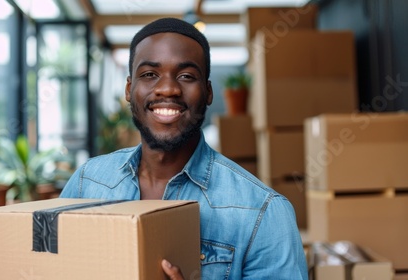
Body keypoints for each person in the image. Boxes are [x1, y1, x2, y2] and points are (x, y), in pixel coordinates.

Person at [60, 17, 308, 279]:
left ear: (208, 92)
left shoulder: (263, 212)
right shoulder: (86, 183)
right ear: (129, 88)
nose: (168, 88)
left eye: (186, 76)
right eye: (149, 75)